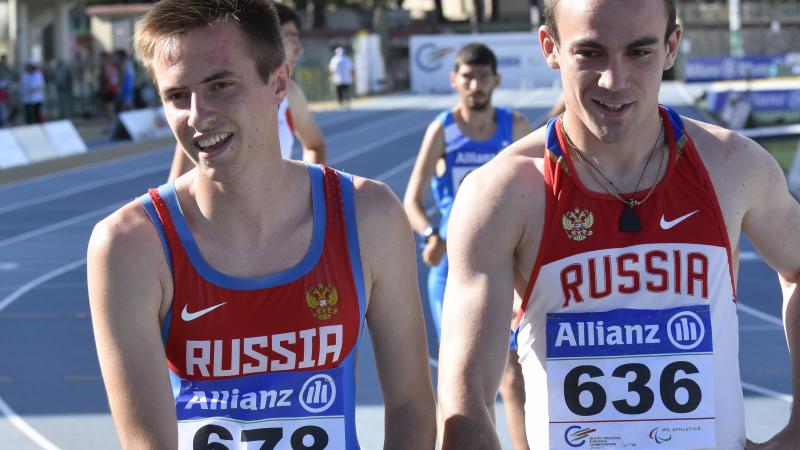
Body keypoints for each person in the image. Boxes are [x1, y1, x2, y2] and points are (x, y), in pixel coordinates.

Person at [437, 1, 800, 449]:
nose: (614, 80)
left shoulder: (733, 167)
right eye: (590, 54)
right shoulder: (504, 193)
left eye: (639, 53)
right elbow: (465, 399)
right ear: (550, 48)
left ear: (671, 48)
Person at [87, 1, 436, 449]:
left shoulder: (369, 215)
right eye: (177, 96)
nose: (197, 115)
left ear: (279, 85)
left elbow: (411, 405)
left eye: (221, 85)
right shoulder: (130, 245)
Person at [403, 42, 532, 450]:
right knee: (467, 382)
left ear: (497, 80)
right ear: (454, 80)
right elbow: (412, 201)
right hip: (453, 272)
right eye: (468, 77)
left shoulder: (515, 127)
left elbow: (540, 193)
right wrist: (430, 235)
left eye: (483, 77)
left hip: (505, 267)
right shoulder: (443, 130)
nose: (475, 85)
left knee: (512, 375)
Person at [167, 2, 326, 180]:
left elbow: (315, 146)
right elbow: (175, 186)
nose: (298, 48)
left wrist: (309, 195)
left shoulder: (292, 95)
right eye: (289, 37)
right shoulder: (206, 115)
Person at [20, 59, 45, 124]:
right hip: (27, 98)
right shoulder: (24, 75)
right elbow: (23, 85)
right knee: (28, 114)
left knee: (37, 113)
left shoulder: (38, 74)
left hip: (37, 98)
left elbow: (41, 84)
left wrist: (35, 88)